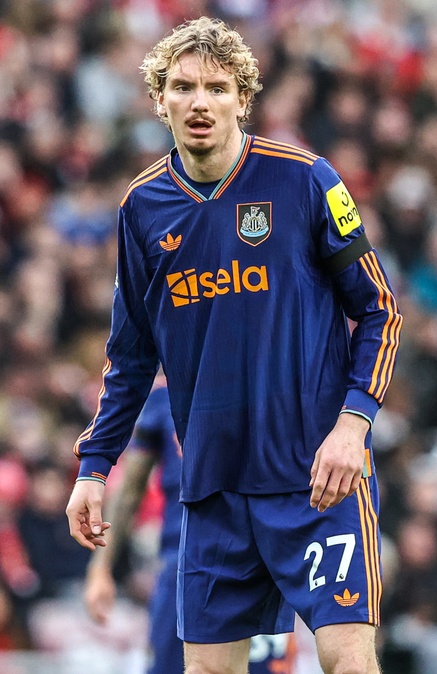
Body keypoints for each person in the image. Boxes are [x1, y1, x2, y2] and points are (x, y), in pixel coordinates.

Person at [66, 16, 403, 674]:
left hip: (316, 480)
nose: (200, 102)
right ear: (160, 98)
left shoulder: (305, 179)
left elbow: (380, 309)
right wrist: (93, 467)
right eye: (184, 87)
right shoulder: (142, 207)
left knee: (349, 662)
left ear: (243, 99)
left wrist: (352, 426)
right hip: (215, 489)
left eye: (217, 88)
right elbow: (129, 358)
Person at [84, 371, 297, 674]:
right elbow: (130, 489)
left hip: (262, 568)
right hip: (183, 570)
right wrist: (101, 568)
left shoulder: (271, 385)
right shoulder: (163, 396)